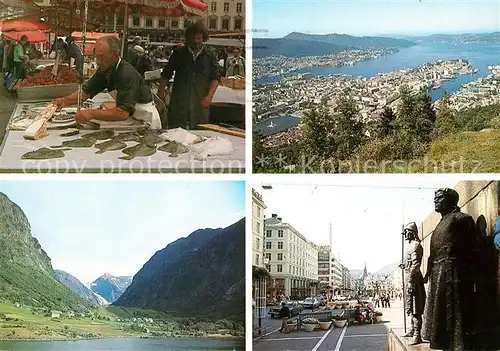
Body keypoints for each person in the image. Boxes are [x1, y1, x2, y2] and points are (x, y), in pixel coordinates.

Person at [52, 36, 161, 129]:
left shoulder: (126, 73)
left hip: (145, 119)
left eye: (102, 57)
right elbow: (86, 92)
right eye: (96, 56)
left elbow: (122, 112)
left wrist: (91, 113)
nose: (98, 61)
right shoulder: (105, 68)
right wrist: (64, 101)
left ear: (115, 55)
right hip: (132, 117)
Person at [422, 188, 479, 351]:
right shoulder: (440, 224)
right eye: (435, 198)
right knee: (440, 314)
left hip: (454, 272)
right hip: (438, 272)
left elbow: (473, 246)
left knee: (456, 313)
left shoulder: (461, 219)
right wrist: (428, 271)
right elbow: (432, 252)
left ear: (451, 200)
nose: (436, 201)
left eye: (439, 198)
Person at [158, 22, 220, 129]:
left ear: (203, 38)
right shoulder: (179, 53)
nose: (196, 41)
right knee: (175, 130)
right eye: (194, 38)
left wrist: (209, 97)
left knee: (200, 132)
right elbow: (166, 74)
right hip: (180, 100)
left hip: (200, 100)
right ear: (188, 38)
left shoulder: (210, 55)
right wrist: (161, 92)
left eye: (199, 38)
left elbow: (215, 78)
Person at [399, 222, 426, 345]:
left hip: (414, 280)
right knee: (410, 307)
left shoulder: (415, 245)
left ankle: (417, 334)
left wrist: (410, 281)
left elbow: (416, 264)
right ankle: (411, 329)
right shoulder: (410, 246)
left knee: (416, 308)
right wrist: (404, 265)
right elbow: (410, 263)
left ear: (412, 232)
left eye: (406, 232)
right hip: (409, 278)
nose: (405, 234)